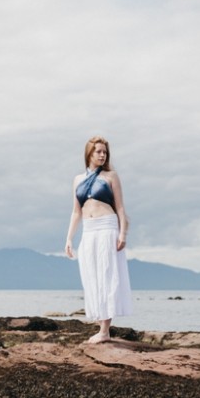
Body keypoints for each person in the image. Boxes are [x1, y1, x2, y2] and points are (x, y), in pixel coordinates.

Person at [65, 136, 133, 343]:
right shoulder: (77, 179)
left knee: (107, 274)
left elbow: (120, 207)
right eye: (98, 152)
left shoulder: (111, 176)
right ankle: (100, 327)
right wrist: (69, 239)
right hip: (89, 230)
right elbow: (76, 212)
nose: (102, 155)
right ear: (89, 154)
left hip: (107, 227)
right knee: (91, 276)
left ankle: (105, 331)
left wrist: (122, 234)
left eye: (105, 152)